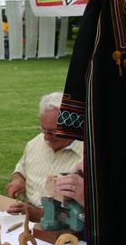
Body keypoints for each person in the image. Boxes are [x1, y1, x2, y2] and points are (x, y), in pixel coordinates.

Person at [6, 92, 83, 222]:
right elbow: (19, 171)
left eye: (52, 132)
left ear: (71, 127)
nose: (46, 137)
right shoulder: (36, 142)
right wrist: (17, 181)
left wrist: (38, 214)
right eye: (43, 130)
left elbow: (83, 214)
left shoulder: (88, 159)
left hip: (62, 227)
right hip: (22, 218)